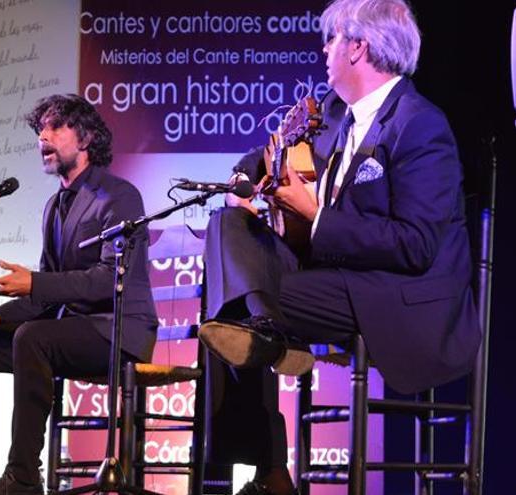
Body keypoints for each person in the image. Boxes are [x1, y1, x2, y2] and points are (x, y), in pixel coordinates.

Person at [198, 1, 481, 494]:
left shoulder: (420, 126)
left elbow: (414, 245)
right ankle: (263, 339)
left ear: (358, 48)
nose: (324, 50)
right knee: (227, 228)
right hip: (334, 276)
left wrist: (314, 214)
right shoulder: (330, 114)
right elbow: (255, 158)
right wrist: (243, 187)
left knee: (236, 306)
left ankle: (266, 460)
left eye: (331, 40)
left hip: (398, 294)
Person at [0, 94, 158, 495]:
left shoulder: (119, 196)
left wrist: (35, 283)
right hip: (65, 333)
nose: (43, 137)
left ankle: (22, 477)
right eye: (40, 130)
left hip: (118, 332)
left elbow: (109, 280)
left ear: (86, 137)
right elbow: (47, 294)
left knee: (33, 338)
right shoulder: (54, 206)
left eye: (55, 127)